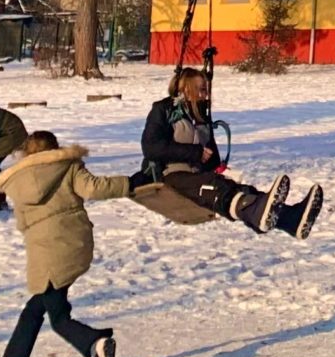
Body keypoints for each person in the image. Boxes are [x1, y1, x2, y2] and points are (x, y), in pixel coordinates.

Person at [0, 129, 129, 357]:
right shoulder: (67, 166)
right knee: (40, 309)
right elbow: (93, 188)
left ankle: (93, 344)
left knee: (54, 314)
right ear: (55, 147)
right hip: (71, 243)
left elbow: (22, 223)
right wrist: (128, 183)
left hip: (42, 250)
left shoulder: (18, 180)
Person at [137, 67, 320, 238]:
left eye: (206, 90)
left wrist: (220, 168)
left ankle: (292, 219)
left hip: (197, 174)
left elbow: (211, 157)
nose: (205, 94)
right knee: (215, 187)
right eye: (201, 89)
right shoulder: (163, 110)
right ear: (186, 89)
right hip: (169, 175)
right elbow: (151, 148)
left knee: (239, 188)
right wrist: (194, 153)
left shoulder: (200, 115)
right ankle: (258, 213)